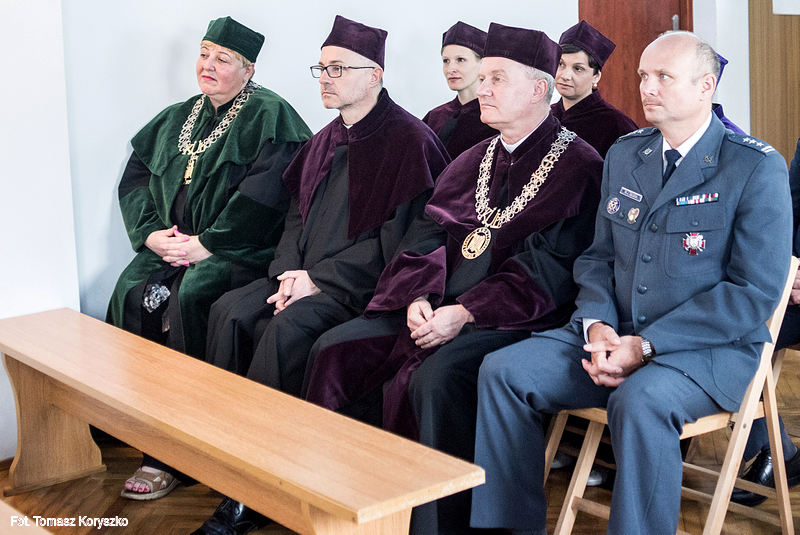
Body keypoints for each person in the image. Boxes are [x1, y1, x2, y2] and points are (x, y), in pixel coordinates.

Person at [470, 31, 793, 534]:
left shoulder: (753, 166)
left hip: (705, 351)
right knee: (503, 371)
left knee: (639, 402)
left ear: (706, 86)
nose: (648, 87)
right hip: (613, 336)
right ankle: (511, 528)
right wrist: (597, 325)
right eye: (644, 75)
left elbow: (752, 293)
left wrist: (645, 346)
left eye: (664, 76)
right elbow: (598, 257)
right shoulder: (627, 154)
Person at [303, 22, 604, 535]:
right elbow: (425, 236)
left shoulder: (579, 165)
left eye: (496, 78)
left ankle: (439, 525)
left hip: (512, 320)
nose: (482, 89)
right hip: (434, 308)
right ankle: (347, 513)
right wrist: (418, 295)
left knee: (436, 378)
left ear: (538, 89)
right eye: (483, 78)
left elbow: (548, 270)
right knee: (335, 350)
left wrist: (465, 312)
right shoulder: (472, 160)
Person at [193, 15, 449, 535]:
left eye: (337, 68)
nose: (325, 78)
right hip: (301, 277)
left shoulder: (410, 142)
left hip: (360, 289)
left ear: (374, 75)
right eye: (322, 68)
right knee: (228, 311)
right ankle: (228, 467)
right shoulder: (324, 138)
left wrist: (318, 281)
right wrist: (288, 273)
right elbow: (294, 216)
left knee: (284, 332)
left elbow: (399, 244)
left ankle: (258, 491)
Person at [107, 16, 311, 500]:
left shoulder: (270, 114)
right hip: (173, 244)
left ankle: (189, 446)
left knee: (191, 295)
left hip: (237, 249)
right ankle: (145, 433)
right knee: (131, 290)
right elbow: (136, 178)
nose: (208, 65)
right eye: (204, 54)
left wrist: (209, 243)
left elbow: (266, 197)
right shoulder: (178, 116)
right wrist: (150, 235)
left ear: (249, 69)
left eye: (223, 59)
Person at [730, 135, 800, 506]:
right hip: (793, 290)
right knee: (730, 329)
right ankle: (776, 450)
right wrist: (782, 270)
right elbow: (789, 212)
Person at [550, 20, 637, 158]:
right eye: (561, 64)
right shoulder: (546, 116)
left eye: (578, 68)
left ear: (596, 76)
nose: (565, 76)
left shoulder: (617, 125)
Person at [422, 21, 498, 159]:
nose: (451, 69)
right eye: (446, 61)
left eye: (461, 60)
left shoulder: (495, 120)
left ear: (482, 63)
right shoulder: (434, 117)